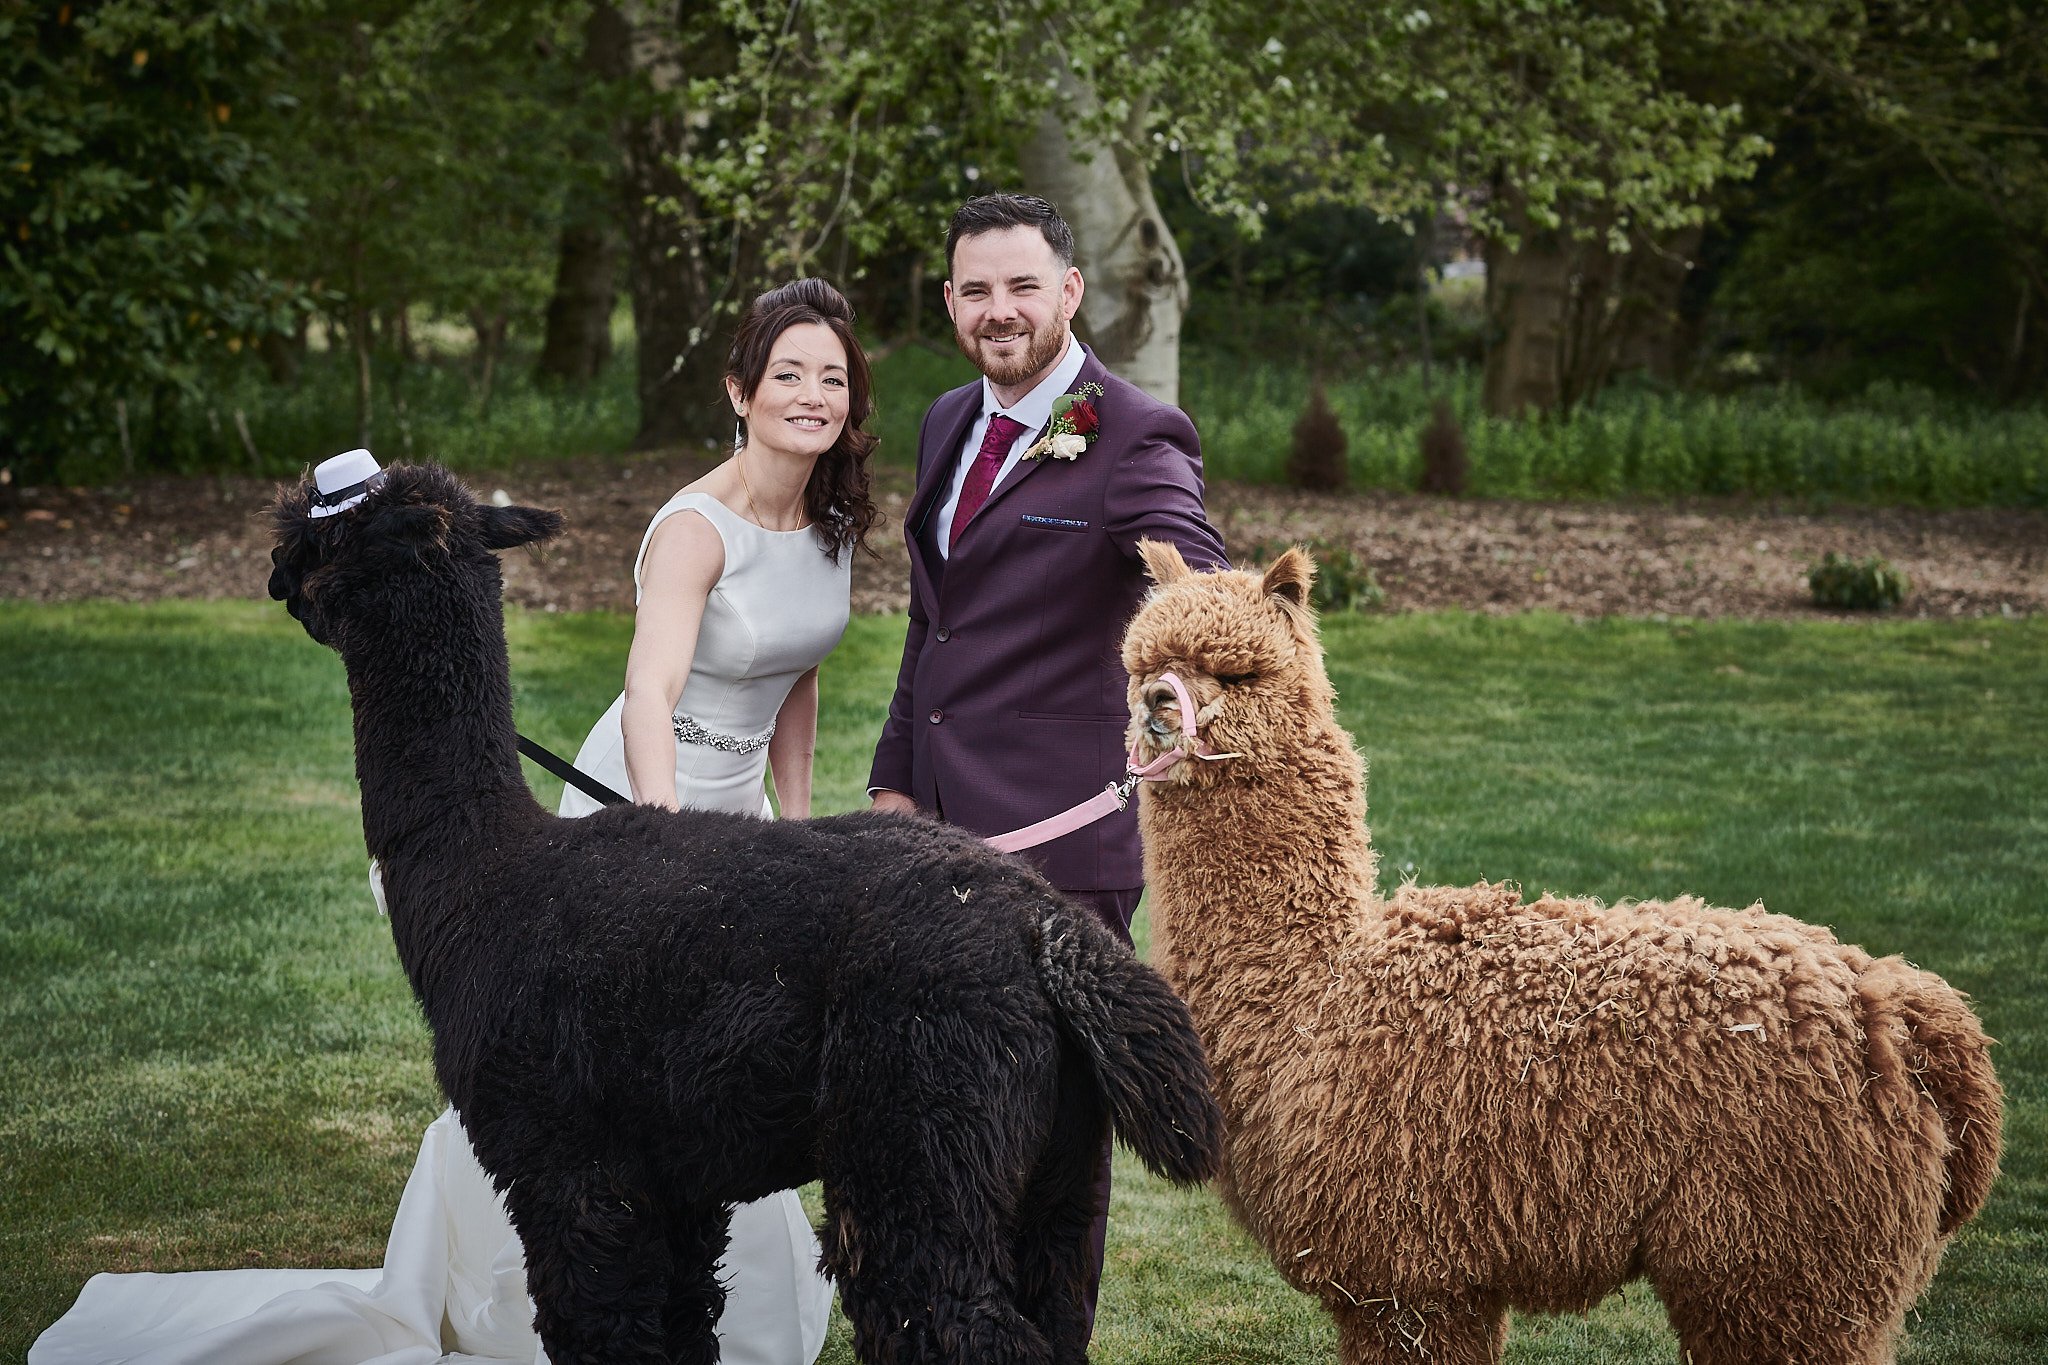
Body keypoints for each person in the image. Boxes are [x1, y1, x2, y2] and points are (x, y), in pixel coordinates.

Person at [31, 278, 877, 1365]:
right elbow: (652, 689)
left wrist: (793, 826)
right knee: (583, 1069)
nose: (810, 394)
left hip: (739, 813)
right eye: (788, 374)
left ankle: (716, 1319)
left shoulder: (829, 524)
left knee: (730, 1066)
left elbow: (795, 677)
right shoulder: (692, 529)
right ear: (739, 390)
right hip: (644, 805)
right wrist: (672, 856)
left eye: (832, 377)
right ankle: (530, 1294)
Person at [866, 193, 1227, 1334]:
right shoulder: (941, 423)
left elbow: (1201, 607)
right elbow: (938, 627)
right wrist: (891, 781)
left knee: (1056, 1156)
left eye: (1023, 286)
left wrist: (1167, 735)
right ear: (948, 303)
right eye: (975, 290)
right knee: (941, 1126)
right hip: (930, 843)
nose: (999, 311)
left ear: (1069, 292)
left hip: (1064, 855)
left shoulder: (1134, 435)